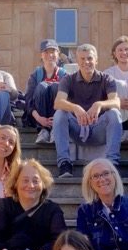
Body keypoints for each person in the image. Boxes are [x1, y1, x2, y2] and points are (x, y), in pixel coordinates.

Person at [52, 44, 121, 178]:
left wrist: (99, 104)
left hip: (98, 129)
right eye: (82, 59)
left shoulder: (107, 79)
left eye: (90, 58)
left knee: (114, 113)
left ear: (96, 60)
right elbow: (58, 102)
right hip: (76, 129)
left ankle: (113, 163)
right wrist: (75, 108)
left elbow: (116, 102)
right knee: (60, 114)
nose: (86, 62)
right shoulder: (68, 79)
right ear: (77, 61)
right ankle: (64, 163)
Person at [24, 39, 67, 143]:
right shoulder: (35, 76)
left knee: (56, 87)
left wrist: (57, 119)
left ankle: (54, 130)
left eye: (53, 52)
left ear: (58, 53)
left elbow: (70, 99)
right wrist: (39, 119)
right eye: (46, 52)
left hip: (58, 118)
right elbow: (28, 101)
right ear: (41, 55)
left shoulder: (65, 75)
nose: (50, 55)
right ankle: (43, 131)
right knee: (42, 86)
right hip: (38, 118)